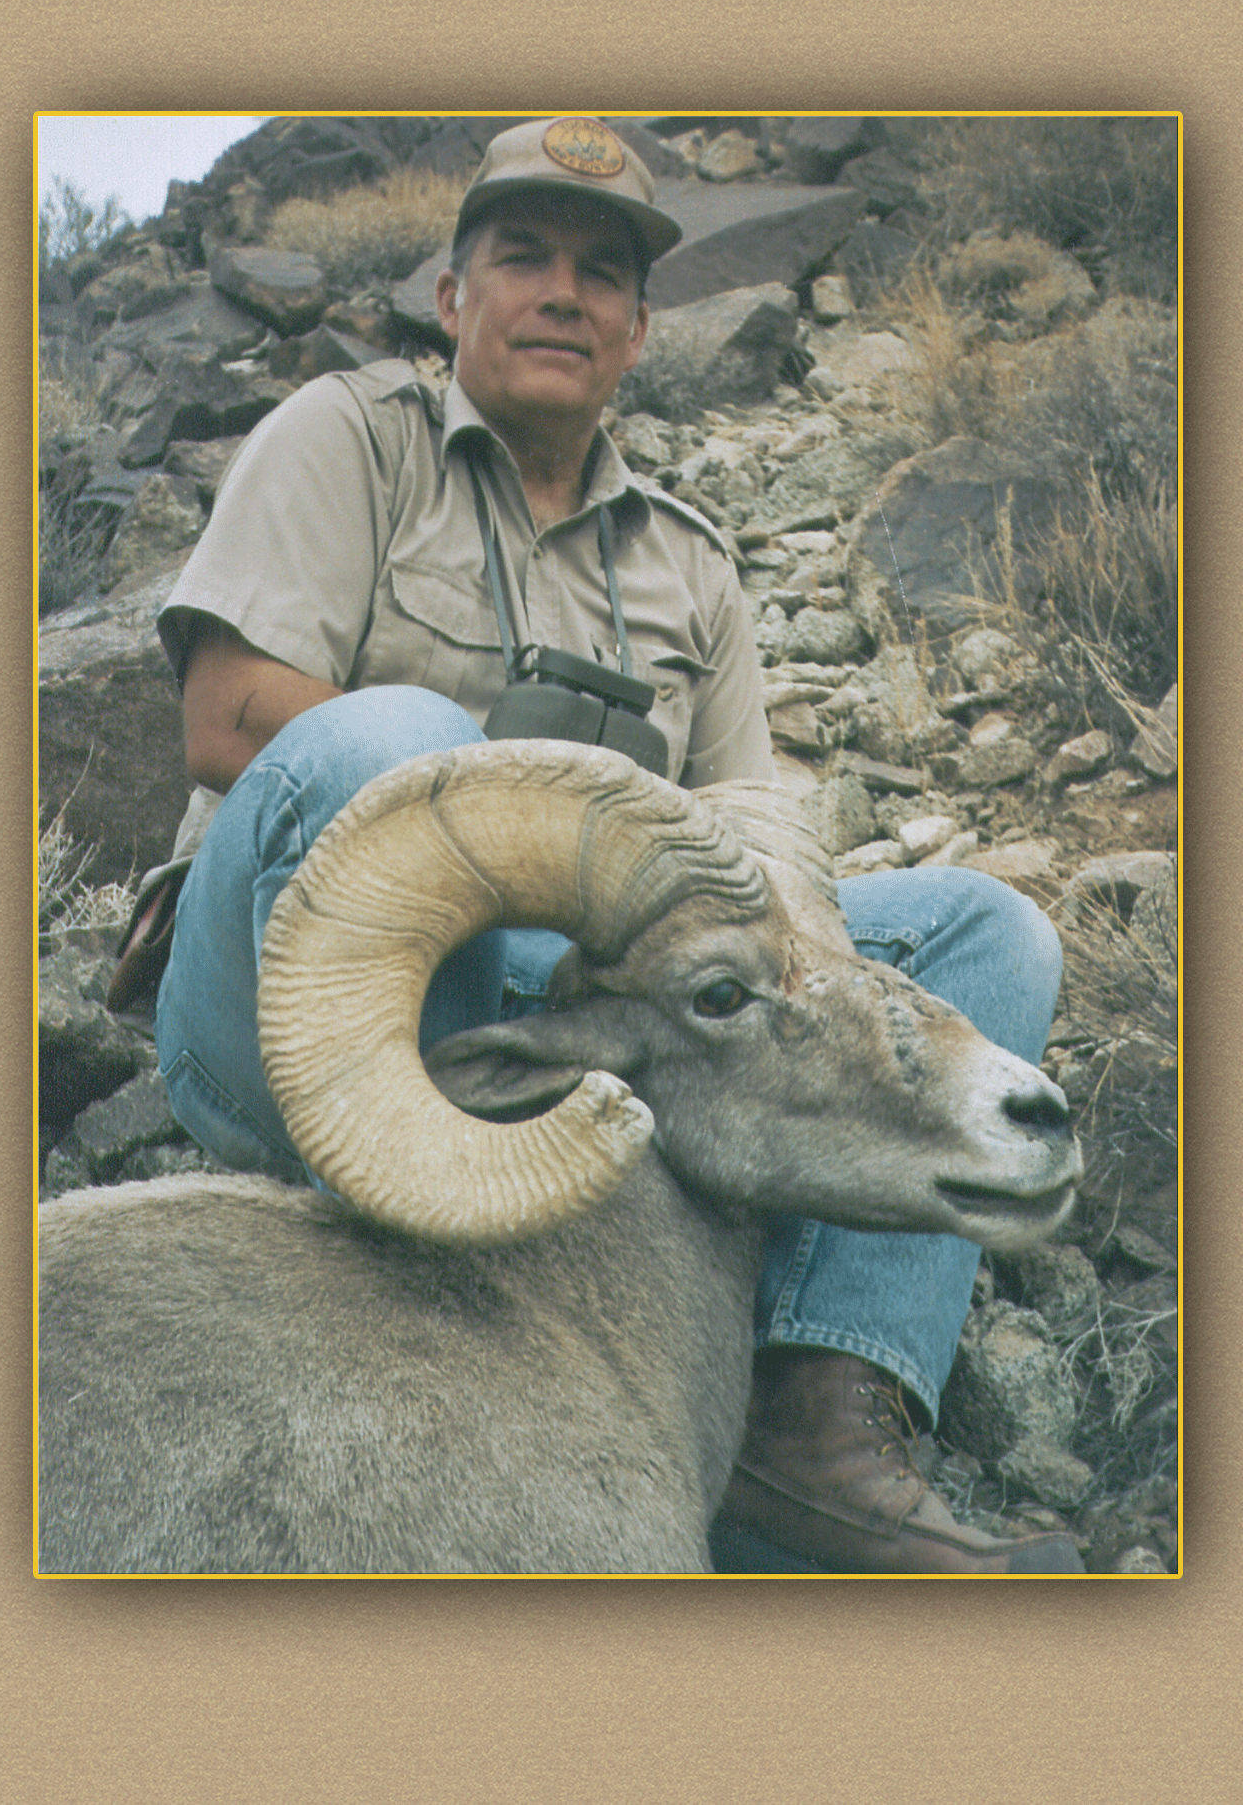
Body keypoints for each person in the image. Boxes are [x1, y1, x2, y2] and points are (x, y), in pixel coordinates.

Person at [149, 116, 1081, 1574]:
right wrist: (511, 803)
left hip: (581, 1017)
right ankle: (431, 1270)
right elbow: (226, 718)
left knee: (984, 928)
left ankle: (813, 1419)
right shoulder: (345, 441)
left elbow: (758, 856)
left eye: (601, 274)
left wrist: (771, 975)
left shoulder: (688, 560)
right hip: (303, 1005)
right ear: (452, 299)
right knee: (385, 743)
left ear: (641, 330)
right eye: (522, 259)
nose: (563, 294)